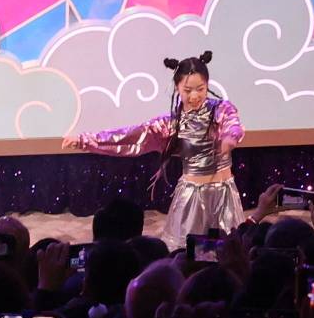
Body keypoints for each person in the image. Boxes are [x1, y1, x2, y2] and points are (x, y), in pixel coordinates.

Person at [72, 51, 245, 245]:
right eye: (188, 90)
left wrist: (230, 138)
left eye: (201, 89)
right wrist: (85, 140)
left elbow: (233, 125)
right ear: (178, 87)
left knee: (229, 250)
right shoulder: (170, 123)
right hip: (191, 195)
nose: (195, 96)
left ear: (207, 86)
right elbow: (129, 136)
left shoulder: (221, 109)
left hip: (223, 193)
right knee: (187, 252)